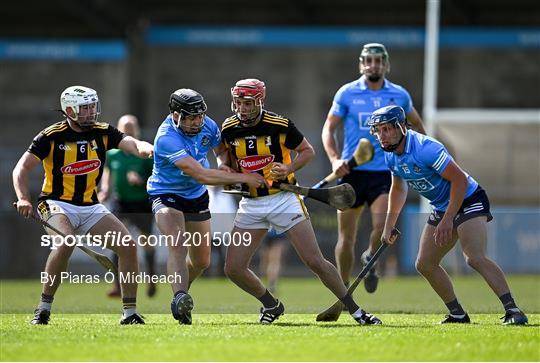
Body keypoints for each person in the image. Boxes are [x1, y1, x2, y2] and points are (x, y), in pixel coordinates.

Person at [219, 78, 381, 325]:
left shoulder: (279, 124)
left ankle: (357, 312)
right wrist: (227, 171)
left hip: (284, 199)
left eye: (248, 103)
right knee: (233, 268)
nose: (242, 108)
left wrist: (288, 167)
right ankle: (271, 305)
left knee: (315, 261)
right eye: (238, 102)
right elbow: (225, 158)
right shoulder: (229, 128)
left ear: (260, 101)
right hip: (251, 204)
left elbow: (308, 151)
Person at [370, 105, 528, 325]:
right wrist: (389, 225)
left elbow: (460, 181)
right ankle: (457, 314)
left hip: (468, 198)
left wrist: (447, 220)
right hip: (442, 206)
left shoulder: (426, 148)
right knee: (424, 263)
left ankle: (514, 310)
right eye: (378, 130)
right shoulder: (390, 156)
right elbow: (398, 189)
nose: (382, 135)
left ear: (401, 127)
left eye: (387, 129)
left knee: (473, 257)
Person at [13, 85, 153, 325]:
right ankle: (43, 307)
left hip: (90, 206)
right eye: (85, 108)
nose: (91, 112)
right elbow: (21, 169)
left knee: (128, 246)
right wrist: (24, 197)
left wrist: (145, 149)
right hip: (56, 203)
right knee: (65, 242)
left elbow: (130, 142)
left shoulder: (102, 131)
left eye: (92, 107)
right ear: (69, 110)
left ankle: (129, 313)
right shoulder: (50, 136)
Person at [147, 88, 265, 325]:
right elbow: (201, 174)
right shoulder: (166, 138)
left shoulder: (207, 124)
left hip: (196, 197)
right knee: (177, 243)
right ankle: (180, 296)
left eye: (199, 116)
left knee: (201, 261)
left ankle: (182, 289)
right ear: (175, 115)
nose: (197, 122)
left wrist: (223, 163)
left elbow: (220, 148)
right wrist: (244, 178)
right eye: (191, 117)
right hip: (166, 193)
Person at [321, 43, 426, 294]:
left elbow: (419, 128)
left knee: (381, 227)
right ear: (361, 64)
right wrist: (335, 160)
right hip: (352, 173)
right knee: (347, 238)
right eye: (369, 60)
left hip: (384, 173)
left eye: (379, 60)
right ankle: (343, 289)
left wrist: (407, 156)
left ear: (386, 65)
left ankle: (370, 257)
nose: (374, 64)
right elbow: (328, 129)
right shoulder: (347, 93)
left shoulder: (399, 95)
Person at [98, 115, 157, 298]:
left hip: (142, 203)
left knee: (147, 243)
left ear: (137, 129)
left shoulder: (145, 153)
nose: (129, 130)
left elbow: (156, 177)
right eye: (125, 127)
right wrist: (105, 188)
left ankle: (152, 280)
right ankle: (118, 285)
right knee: (117, 243)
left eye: (132, 127)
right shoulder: (113, 153)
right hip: (121, 202)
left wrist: (141, 181)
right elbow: (108, 171)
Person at [259, 229, 287, 294]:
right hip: (276, 232)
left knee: (265, 261)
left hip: (265, 231)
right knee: (274, 261)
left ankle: (265, 285)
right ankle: (271, 285)